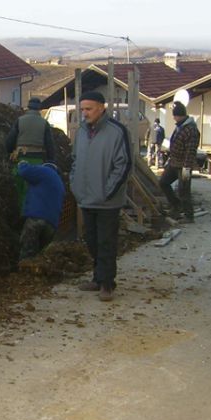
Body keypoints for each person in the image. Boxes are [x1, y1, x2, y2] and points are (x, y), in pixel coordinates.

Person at [69, 91, 132, 301]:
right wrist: (75, 184)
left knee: (106, 242)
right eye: (82, 109)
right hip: (86, 197)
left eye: (89, 109)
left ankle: (107, 283)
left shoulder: (116, 132)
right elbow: (75, 160)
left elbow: (123, 164)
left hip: (107, 200)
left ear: (101, 108)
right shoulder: (81, 133)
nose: (84, 113)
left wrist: (108, 191)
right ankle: (98, 278)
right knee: (92, 241)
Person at [5, 96, 56, 211]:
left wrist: (9, 152)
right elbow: (50, 145)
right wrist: (51, 161)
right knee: (33, 190)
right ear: (39, 109)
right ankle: (32, 214)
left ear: (28, 107)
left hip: (21, 160)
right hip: (38, 161)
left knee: (20, 189)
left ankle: (21, 215)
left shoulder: (20, 121)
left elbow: (10, 141)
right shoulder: (44, 123)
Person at [159, 101, 200, 222]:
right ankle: (176, 205)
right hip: (174, 162)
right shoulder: (180, 126)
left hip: (184, 165)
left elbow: (190, 151)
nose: (173, 118)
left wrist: (186, 168)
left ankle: (189, 215)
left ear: (179, 115)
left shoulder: (191, 129)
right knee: (163, 182)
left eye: (175, 115)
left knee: (184, 191)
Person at [16, 161, 66, 261]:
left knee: (26, 253)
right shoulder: (61, 184)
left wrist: (22, 163)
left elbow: (24, 172)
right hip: (51, 226)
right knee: (37, 255)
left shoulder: (45, 171)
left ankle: (23, 274)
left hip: (36, 219)